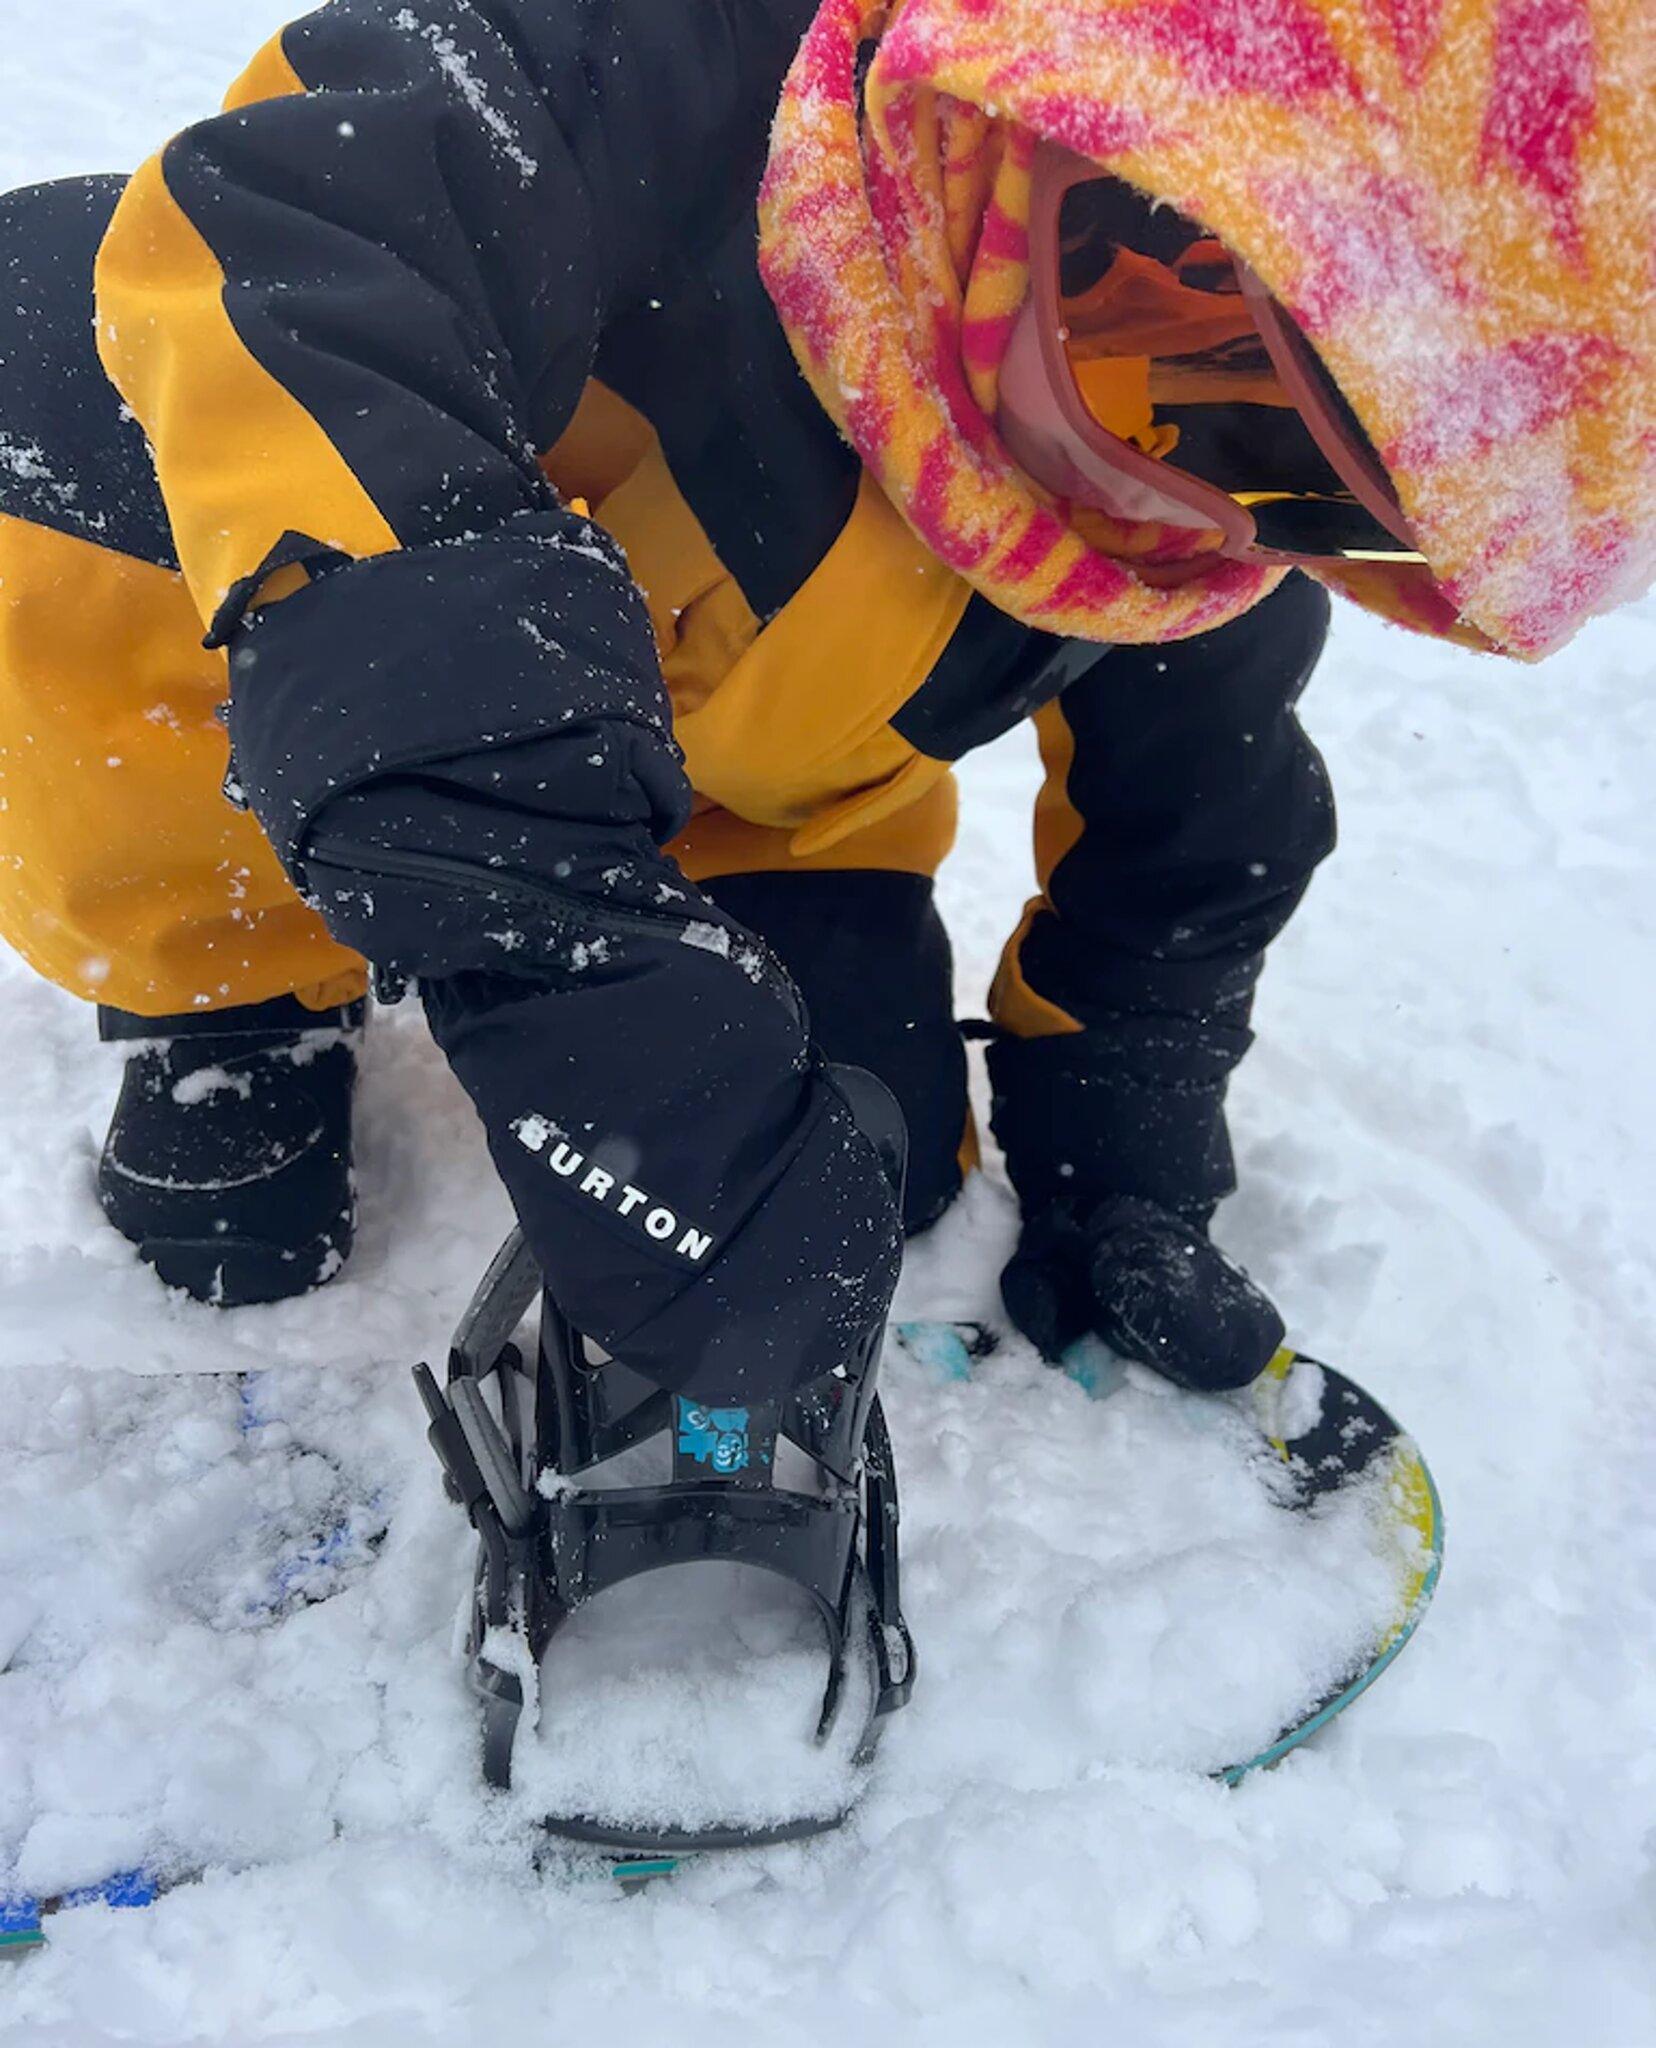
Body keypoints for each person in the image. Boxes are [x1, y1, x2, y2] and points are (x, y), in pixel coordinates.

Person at [0, 0, 1645, 1405]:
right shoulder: (674, 65)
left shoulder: (1189, 539)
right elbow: (291, 219)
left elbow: (1197, 819)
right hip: (246, 658)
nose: (1183, 477)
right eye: (1180, 331)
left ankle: (695, 920)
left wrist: (1119, 1154)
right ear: (1068, 105)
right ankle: (220, 1003)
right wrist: (533, 914)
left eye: (1318, 488)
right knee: (166, 528)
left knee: (875, 1173)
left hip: (760, 786)